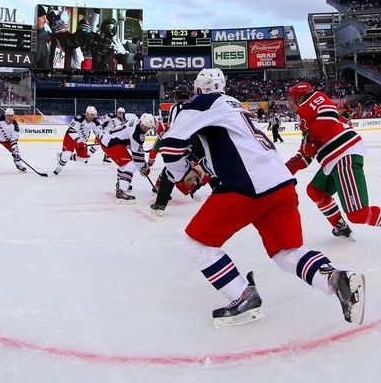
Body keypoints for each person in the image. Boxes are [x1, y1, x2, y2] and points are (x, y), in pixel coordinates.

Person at [160, 69, 365, 327]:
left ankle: (242, 295)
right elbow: (232, 149)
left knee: (197, 244)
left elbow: (170, 147)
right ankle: (338, 280)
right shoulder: (236, 106)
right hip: (280, 183)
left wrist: (181, 174)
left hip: (247, 186)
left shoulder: (201, 103)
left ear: (198, 88)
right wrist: (204, 167)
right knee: (287, 252)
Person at [285, 82, 381, 246]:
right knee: (315, 190)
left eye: (293, 99)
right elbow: (304, 156)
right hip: (333, 161)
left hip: (344, 156)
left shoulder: (313, 101)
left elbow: (328, 115)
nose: (291, 104)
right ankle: (340, 226)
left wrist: (311, 137)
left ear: (301, 97)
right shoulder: (307, 123)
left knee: (358, 214)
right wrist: (281, 173)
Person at [148, 87, 213, 216]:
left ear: (176, 97)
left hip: (181, 140)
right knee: (208, 166)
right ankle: (219, 193)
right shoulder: (196, 104)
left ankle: (160, 205)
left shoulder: (175, 108)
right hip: (198, 140)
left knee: (170, 171)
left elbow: (173, 128)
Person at [100, 112, 155, 203]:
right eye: (144, 126)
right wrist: (145, 168)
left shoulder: (135, 119)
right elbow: (137, 158)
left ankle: (121, 183)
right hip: (111, 144)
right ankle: (121, 190)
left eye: (148, 128)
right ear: (140, 122)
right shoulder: (136, 134)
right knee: (131, 165)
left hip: (111, 140)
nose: (146, 129)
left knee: (125, 164)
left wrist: (143, 165)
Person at [54, 106, 101, 175]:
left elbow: (98, 133)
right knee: (67, 154)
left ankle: (61, 156)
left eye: (94, 115)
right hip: (71, 137)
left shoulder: (96, 122)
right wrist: (78, 140)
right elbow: (71, 130)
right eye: (92, 114)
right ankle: (59, 168)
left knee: (84, 159)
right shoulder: (79, 118)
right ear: (87, 114)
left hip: (82, 141)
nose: (93, 116)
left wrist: (104, 138)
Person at [0, 108, 26, 173]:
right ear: (5, 115)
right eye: (8, 115)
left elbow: (14, 140)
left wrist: (14, 149)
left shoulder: (15, 126)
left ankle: (19, 165)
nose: (10, 117)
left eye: (11, 115)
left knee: (17, 153)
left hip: (7, 140)